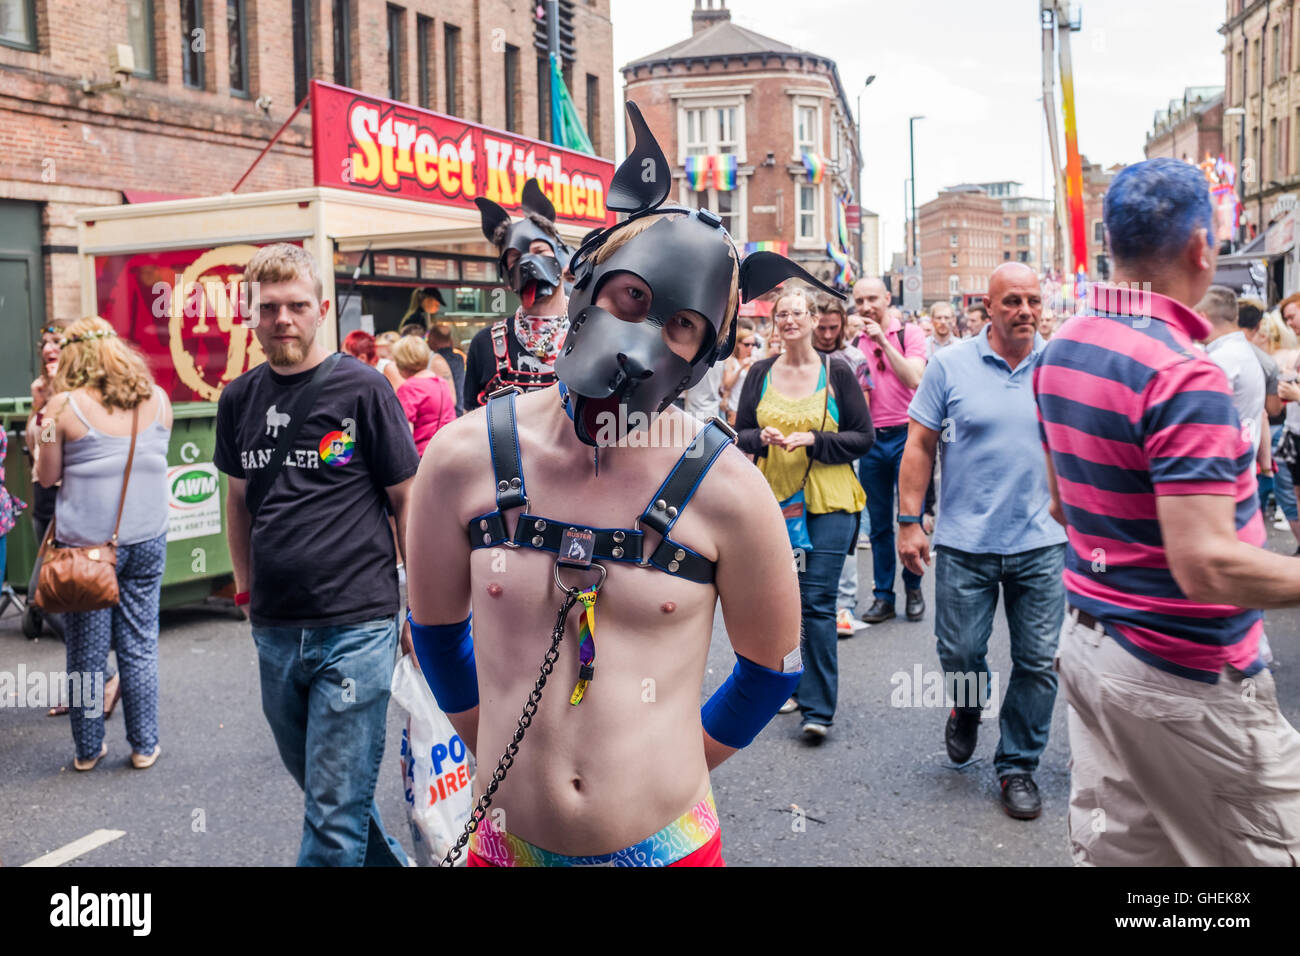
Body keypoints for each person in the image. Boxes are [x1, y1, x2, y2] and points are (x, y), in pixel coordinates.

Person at [404, 103, 834, 866]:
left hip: (667, 847)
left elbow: (773, 668)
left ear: (702, 355)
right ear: (587, 283)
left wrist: (671, 759)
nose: (643, 341)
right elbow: (434, 632)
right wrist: (494, 736)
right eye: (633, 297)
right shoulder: (461, 460)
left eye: (681, 326)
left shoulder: (730, 492)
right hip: (505, 847)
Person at [1035, 157, 1300, 865]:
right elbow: (1206, 565)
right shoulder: (1183, 373)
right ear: (1200, 249)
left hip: (1094, 646)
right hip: (1183, 670)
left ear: (1113, 243)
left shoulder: (1063, 346)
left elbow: (1063, 504)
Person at [215, 243, 418, 866]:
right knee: (331, 796)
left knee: (331, 817)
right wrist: (245, 591)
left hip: (356, 623)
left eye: (297, 306)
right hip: (275, 629)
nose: (283, 318)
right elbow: (239, 502)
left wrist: (413, 604)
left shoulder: (363, 390)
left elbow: (406, 499)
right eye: (269, 307)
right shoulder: (238, 398)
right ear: (249, 315)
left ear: (321, 309)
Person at [899, 263, 1067, 820]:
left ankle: (1017, 765)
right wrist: (909, 520)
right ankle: (967, 709)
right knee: (962, 653)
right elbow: (920, 444)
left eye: (1033, 300)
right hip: (966, 542)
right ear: (989, 307)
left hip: (1042, 542)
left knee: (1039, 660)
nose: (1025, 310)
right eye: (1013, 300)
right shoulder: (949, 366)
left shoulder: (1061, 365)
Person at [735, 286, 872, 740]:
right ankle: (786, 686)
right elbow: (740, 435)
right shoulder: (759, 373)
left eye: (798, 312)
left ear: (814, 320)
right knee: (781, 606)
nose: (790, 320)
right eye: (782, 314)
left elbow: (862, 438)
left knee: (816, 601)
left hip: (830, 501)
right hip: (774, 505)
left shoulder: (838, 373)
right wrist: (762, 438)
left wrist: (816, 440)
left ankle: (818, 709)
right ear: (775, 324)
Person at [36, 317, 171, 772]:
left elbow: (47, 476)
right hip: (148, 538)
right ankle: (144, 746)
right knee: (139, 644)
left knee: (87, 653)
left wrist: (41, 434)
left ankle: (88, 750)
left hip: (86, 550)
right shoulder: (161, 400)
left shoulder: (59, 408)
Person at [25, 322, 122, 716]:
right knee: (63, 600)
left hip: (69, 512)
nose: (49, 348)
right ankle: (87, 685)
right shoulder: (46, 395)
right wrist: (40, 408)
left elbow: (52, 466)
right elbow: (36, 449)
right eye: (45, 342)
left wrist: (51, 411)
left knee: (45, 596)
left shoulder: (79, 398)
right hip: (44, 504)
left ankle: (104, 677)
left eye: (57, 342)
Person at [849, 277, 928, 624]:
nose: (866, 307)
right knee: (879, 525)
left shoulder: (908, 334)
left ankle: (914, 587)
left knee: (910, 516)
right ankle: (884, 595)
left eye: (871, 299)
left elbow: (913, 378)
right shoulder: (852, 343)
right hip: (872, 441)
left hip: (909, 438)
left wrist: (882, 340)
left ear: (886, 298)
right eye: (859, 301)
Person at [463, 181, 573, 410]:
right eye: (515, 258)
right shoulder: (484, 344)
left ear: (560, 254)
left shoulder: (594, 332)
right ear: (505, 272)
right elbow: (468, 425)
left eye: (539, 251)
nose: (528, 264)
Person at [391, 334, 456, 456]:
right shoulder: (441, 383)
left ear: (402, 363)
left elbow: (405, 432)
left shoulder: (409, 388)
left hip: (421, 456)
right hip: (447, 450)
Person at [719, 317, 757, 426]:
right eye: (747, 344)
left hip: (749, 409)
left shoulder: (755, 361)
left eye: (753, 345)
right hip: (733, 408)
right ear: (739, 344)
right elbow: (727, 385)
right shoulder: (732, 361)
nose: (750, 347)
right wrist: (741, 368)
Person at [427, 322, 467, 417]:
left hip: (445, 414)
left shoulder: (433, 360)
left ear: (432, 340)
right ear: (450, 340)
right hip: (459, 411)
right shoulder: (459, 358)